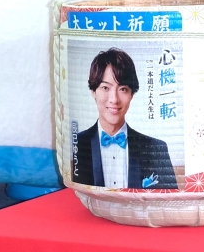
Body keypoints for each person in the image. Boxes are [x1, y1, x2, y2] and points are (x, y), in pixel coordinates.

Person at [72, 48, 177, 189]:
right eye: (105, 88)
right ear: (93, 91)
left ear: (132, 94)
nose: (114, 99)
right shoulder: (76, 144)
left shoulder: (156, 149)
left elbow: (169, 199)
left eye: (123, 89)